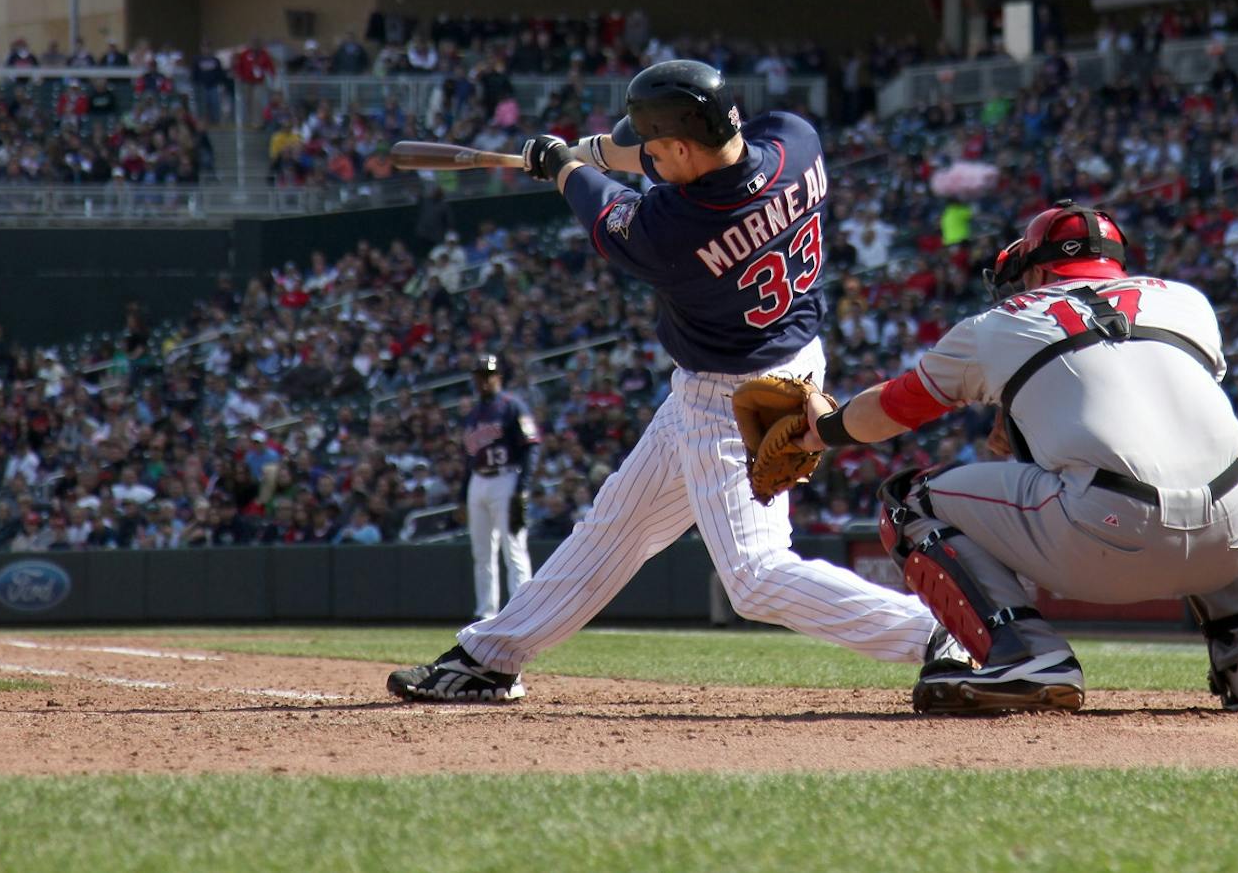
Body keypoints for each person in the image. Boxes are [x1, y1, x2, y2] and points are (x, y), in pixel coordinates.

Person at [389, 60, 958, 702]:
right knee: (619, 525)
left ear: (683, 145)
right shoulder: (795, 141)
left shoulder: (672, 233)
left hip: (735, 399)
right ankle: (491, 656)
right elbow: (659, 160)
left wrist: (563, 166)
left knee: (754, 576)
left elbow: (604, 207)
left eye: (659, 143)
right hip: (791, 363)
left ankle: (940, 637)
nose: (652, 153)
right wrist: (582, 151)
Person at [789, 201, 1238, 714]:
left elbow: (891, 411)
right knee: (1209, 464)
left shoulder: (995, 325)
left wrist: (820, 430)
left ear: (1040, 269)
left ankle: (1029, 653)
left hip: (1110, 532)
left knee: (908, 502)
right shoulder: (1188, 302)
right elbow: (1158, 417)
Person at [463, 353, 536, 620]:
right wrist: (463, 494)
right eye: (479, 376)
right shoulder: (473, 414)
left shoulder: (512, 406)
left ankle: (521, 611)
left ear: (498, 378)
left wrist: (522, 488)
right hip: (478, 480)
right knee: (482, 553)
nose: (483, 381)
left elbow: (531, 447)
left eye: (488, 375)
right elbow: (468, 457)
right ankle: (486, 614)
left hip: (506, 478)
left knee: (513, 547)